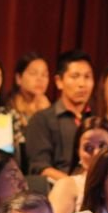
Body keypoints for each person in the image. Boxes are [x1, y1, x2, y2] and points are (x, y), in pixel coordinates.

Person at [25, 50, 96, 180]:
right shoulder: (42, 120)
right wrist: (75, 185)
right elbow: (40, 168)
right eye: (75, 76)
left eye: (87, 77)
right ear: (59, 82)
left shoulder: (97, 121)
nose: (82, 84)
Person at [48, 116, 108, 213]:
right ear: (78, 153)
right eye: (88, 148)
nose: (96, 153)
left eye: (103, 146)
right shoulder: (67, 186)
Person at [6, 52, 50, 163]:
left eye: (44, 75)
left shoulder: (51, 111)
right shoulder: (7, 111)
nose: (40, 79)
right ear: (18, 78)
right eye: (33, 73)